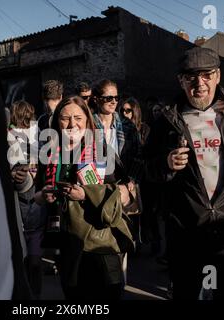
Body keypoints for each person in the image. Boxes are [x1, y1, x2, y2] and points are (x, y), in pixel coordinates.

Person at [144, 47, 224, 299]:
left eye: (206, 75)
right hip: (185, 228)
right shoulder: (167, 120)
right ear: (181, 81)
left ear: (218, 76)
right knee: (186, 293)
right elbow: (145, 169)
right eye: (191, 77)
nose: (199, 84)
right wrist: (166, 163)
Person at [34, 96, 136, 300]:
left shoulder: (101, 150)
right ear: (57, 122)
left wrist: (86, 194)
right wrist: (44, 195)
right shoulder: (50, 152)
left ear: (87, 120)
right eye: (65, 118)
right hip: (66, 244)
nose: (72, 124)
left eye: (78, 118)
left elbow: (126, 193)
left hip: (100, 244)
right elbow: (37, 194)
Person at [8, 100, 44, 299]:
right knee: (31, 263)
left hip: (32, 212)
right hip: (23, 212)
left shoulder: (36, 139)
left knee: (33, 262)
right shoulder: (13, 139)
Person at [91, 79, 141, 182]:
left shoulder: (127, 125)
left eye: (116, 98)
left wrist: (132, 179)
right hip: (98, 185)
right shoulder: (89, 125)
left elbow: (138, 155)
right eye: (109, 98)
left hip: (125, 184)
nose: (114, 102)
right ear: (96, 99)